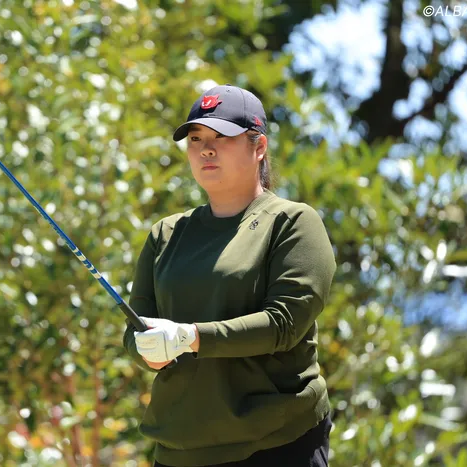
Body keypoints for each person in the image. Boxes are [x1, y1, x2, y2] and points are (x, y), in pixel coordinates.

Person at [122, 84, 337, 467]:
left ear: (259, 147)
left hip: (277, 445)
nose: (206, 149)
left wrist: (190, 337)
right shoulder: (165, 234)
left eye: (222, 136)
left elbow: (284, 325)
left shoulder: (292, 222)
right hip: (179, 450)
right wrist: (146, 350)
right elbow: (135, 329)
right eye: (195, 138)